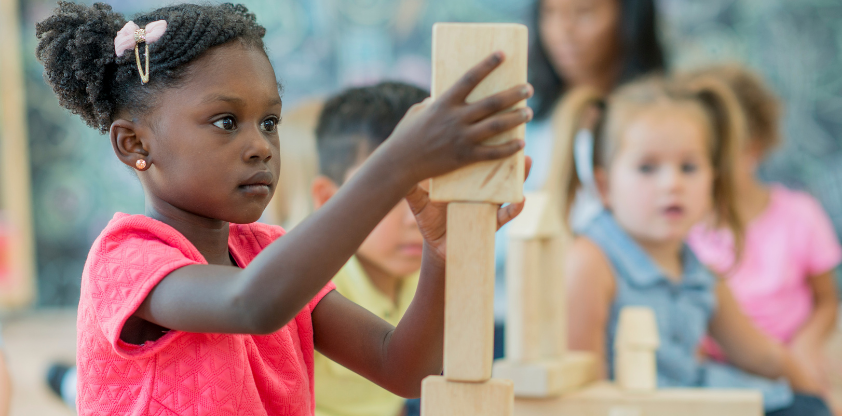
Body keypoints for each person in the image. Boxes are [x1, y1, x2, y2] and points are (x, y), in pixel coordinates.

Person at [35, 3, 533, 414]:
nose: (261, 146)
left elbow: (404, 368)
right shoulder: (128, 258)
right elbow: (253, 304)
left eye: (269, 122)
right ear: (133, 143)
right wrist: (397, 164)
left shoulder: (266, 252)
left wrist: (441, 255)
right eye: (227, 121)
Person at [561, 74, 832, 415]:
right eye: (647, 168)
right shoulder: (591, 261)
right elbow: (585, 390)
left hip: (697, 399)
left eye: (689, 167)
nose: (672, 184)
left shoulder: (698, 270)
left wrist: (819, 397)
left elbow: (761, 355)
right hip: (632, 408)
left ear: (712, 180)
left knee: (808, 408)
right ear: (605, 187)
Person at [686, 64, 840, 413]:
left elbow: (827, 301)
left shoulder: (800, 214)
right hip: (718, 375)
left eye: (720, 152)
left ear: (754, 147)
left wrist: (806, 345)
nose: (709, 167)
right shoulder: (684, 231)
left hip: (790, 367)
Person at [310, 82, 428, 416]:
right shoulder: (307, 287)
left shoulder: (433, 272)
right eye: (391, 193)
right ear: (329, 200)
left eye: (431, 190)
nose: (415, 218)